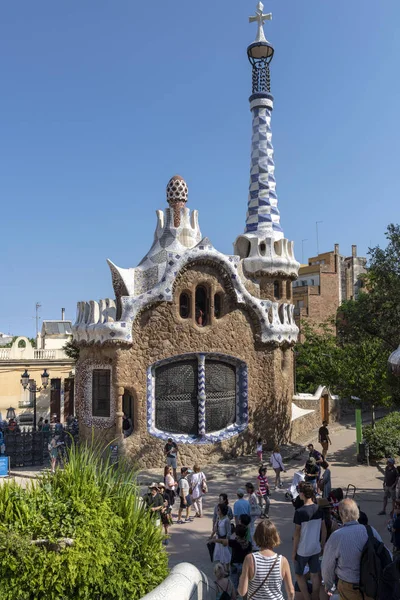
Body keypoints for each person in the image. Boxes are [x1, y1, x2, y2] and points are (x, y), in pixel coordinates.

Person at [322, 498, 384, 600]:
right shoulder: (370, 530)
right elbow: (385, 554)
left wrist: (328, 585)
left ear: (341, 515)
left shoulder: (337, 536)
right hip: (372, 583)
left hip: (349, 585)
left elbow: (327, 566)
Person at [238, 519, 295, 600]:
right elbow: (291, 591)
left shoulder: (250, 559)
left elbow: (242, 591)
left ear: (256, 536)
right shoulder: (282, 561)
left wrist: (242, 577)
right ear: (275, 536)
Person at [292, 482, 326, 600]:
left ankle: (307, 597)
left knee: (298, 574)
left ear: (302, 494)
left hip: (303, 549)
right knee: (315, 574)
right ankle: (315, 597)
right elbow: (324, 529)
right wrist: (322, 544)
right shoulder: (318, 509)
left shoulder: (299, 512)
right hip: (315, 548)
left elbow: (297, 533)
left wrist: (294, 551)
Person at [214, 524, 252, 590]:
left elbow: (222, 541)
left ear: (236, 534)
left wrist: (214, 540)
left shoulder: (234, 542)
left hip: (234, 564)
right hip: (243, 565)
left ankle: (235, 595)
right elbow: (250, 555)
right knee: (243, 582)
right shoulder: (248, 544)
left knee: (234, 583)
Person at [211, 504, 232, 573]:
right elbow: (215, 528)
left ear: (222, 511)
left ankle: (227, 569)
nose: (217, 511)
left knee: (226, 554)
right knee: (220, 554)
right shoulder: (218, 518)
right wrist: (212, 536)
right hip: (218, 538)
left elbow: (229, 532)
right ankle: (223, 568)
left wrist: (226, 540)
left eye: (218, 509)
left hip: (223, 540)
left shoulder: (226, 520)